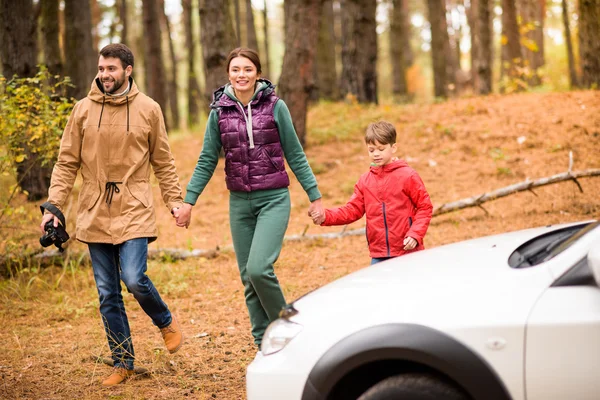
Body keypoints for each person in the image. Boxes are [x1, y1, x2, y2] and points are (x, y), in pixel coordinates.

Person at [39, 43, 185, 386]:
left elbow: (163, 162)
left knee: (134, 277)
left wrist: (174, 201)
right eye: (101, 68)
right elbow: (66, 162)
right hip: (93, 209)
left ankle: (164, 320)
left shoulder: (149, 109)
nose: (104, 74)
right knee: (107, 293)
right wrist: (54, 207)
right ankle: (122, 362)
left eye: (112, 69)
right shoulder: (82, 110)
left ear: (128, 70)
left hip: (134, 206)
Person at [175, 47, 323, 350]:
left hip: (273, 199)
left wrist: (315, 196)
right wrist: (189, 201)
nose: (241, 75)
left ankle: (288, 325)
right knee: (248, 279)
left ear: (257, 72)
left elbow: (294, 154)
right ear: (228, 73)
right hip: (239, 203)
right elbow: (206, 159)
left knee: (259, 269)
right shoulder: (219, 111)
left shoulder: (275, 106)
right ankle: (263, 345)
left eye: (247, 69)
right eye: (235, 70)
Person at [311, 121, 433, 265]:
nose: (376, 154)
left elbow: (425, 207)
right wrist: (326, 216)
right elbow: (352, 210)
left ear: (393, 148)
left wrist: (415, 234)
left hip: (408, 252)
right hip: (379, 254)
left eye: (381, 149)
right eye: (371, 150)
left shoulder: (408, 176)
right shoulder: (365, 181)